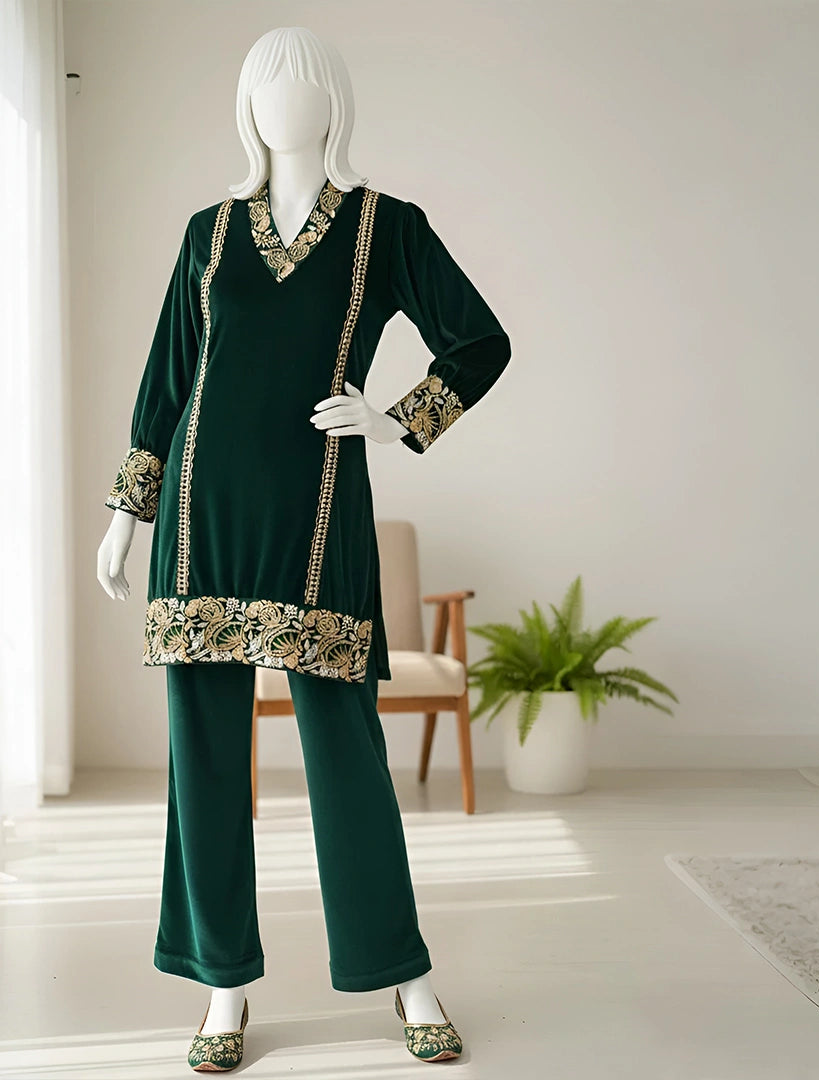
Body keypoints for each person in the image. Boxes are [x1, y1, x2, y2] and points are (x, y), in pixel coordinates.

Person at [97, 25, 510, 1072]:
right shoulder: (207, 233)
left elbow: (480, 339)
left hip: (319, 520)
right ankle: (222, 987)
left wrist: (398, 420)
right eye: (265, 86)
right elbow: (168, 378)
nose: (285, 103)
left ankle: (405, 973)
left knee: (347, 759)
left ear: (337, 102)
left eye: (304, 84)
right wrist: (126, 514)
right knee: (204, 761)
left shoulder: (386, 227)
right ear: (245, 107)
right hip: (199, 521)